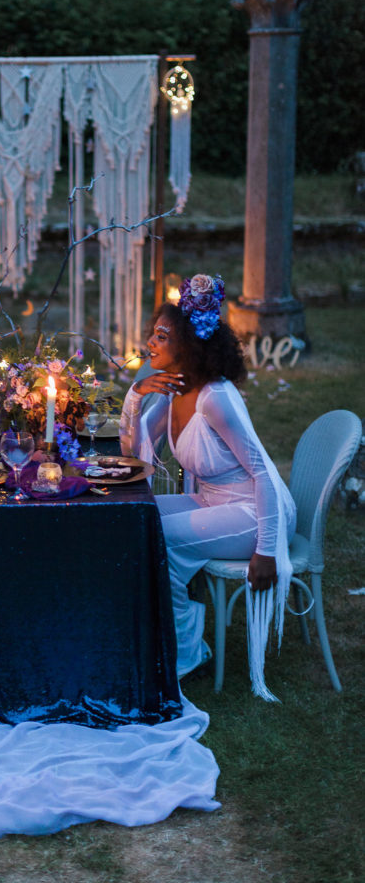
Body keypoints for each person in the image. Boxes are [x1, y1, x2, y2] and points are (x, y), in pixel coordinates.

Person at [119, 273, 296, 700]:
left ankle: (187, 653)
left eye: (162, 336)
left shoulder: (215, 397)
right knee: (135, 517)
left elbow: (265, 475)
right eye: (152, 334)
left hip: (258, 512)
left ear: (188, 345)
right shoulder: (173, 391)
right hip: (214, 502)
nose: (151, 343)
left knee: (160, 535)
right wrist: (135, 394)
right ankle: (161, 633)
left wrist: (267, 551)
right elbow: (135, 461)